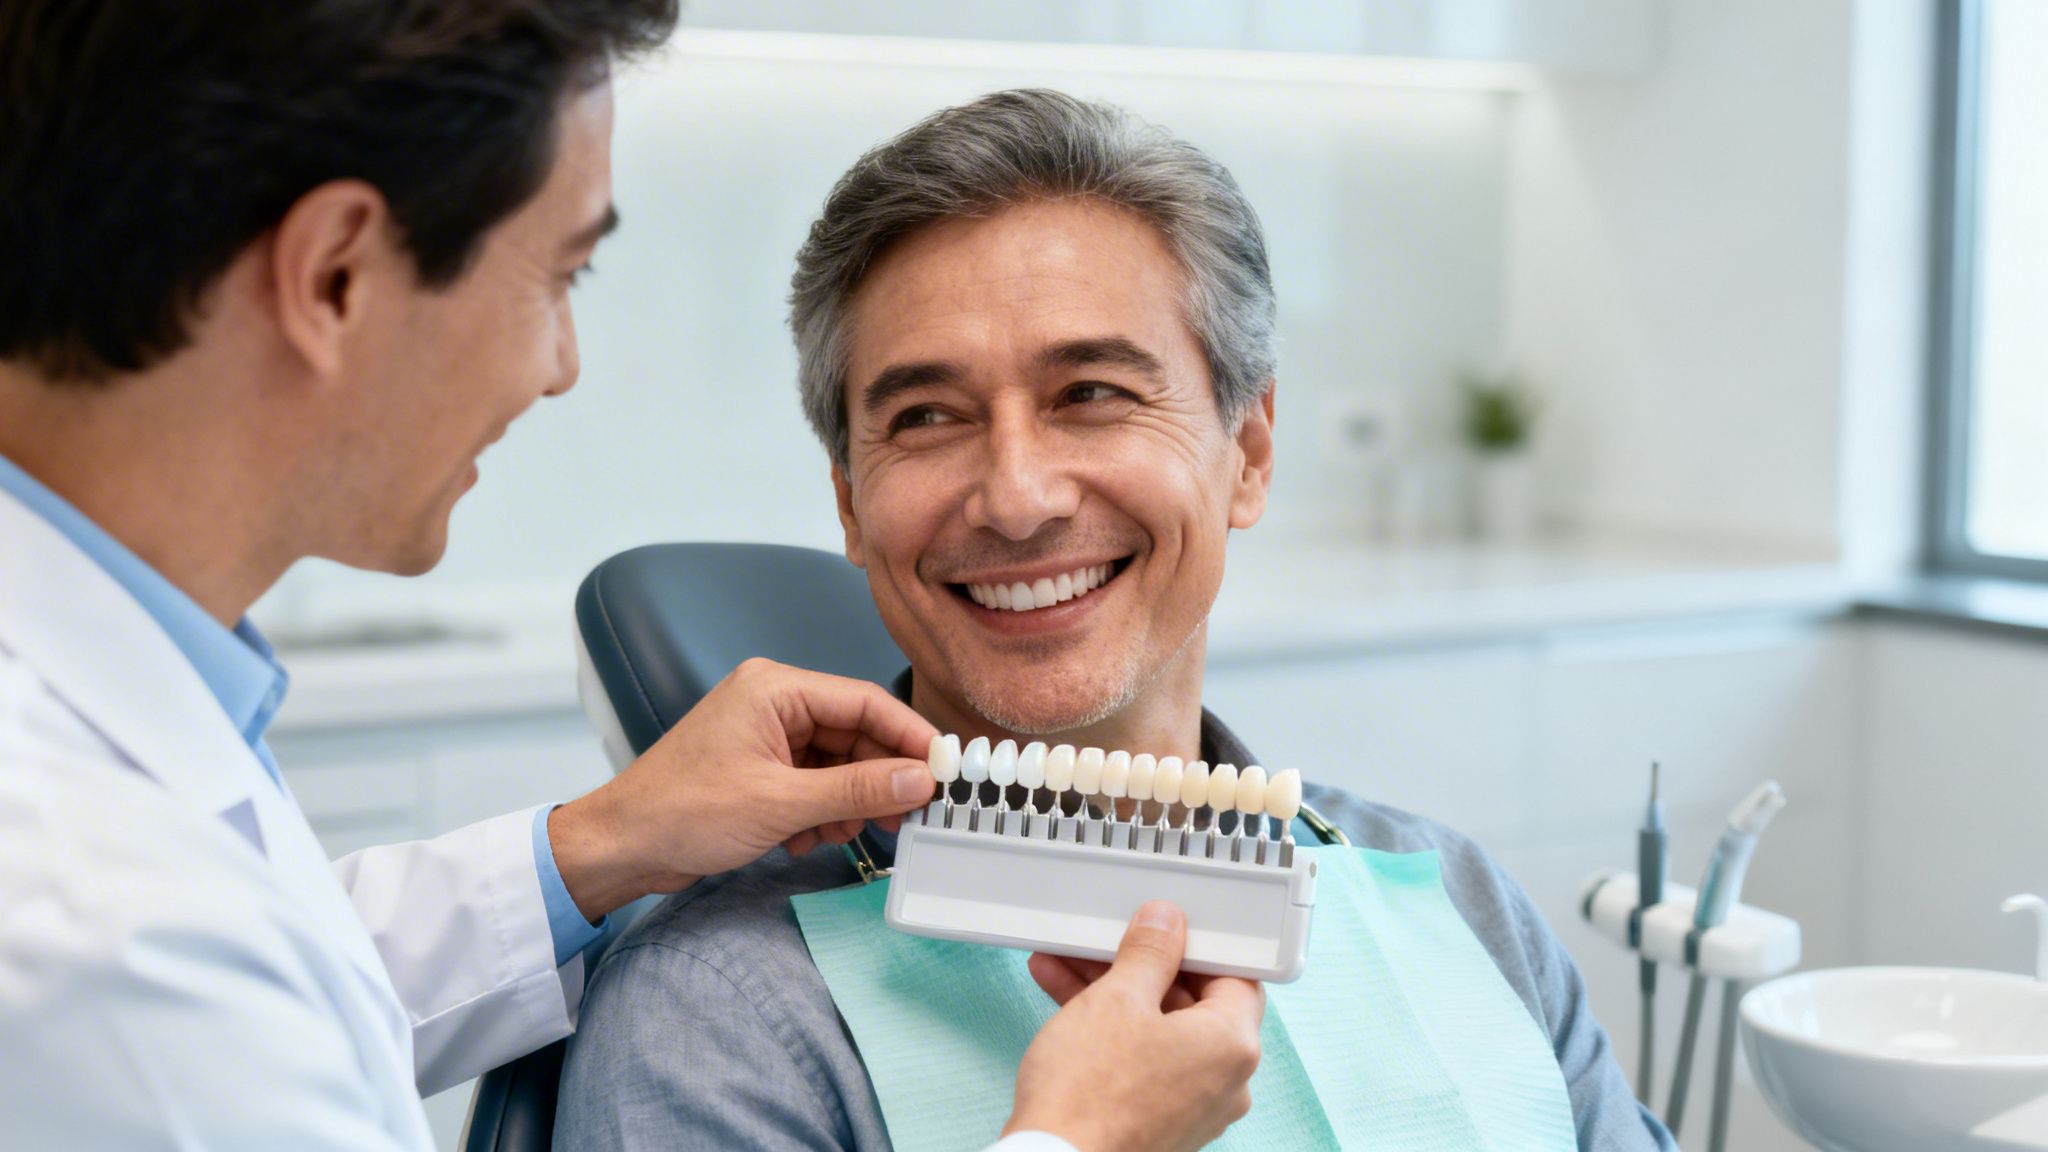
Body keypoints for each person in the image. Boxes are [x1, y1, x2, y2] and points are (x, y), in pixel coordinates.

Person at [0, 7, 1263, 1151]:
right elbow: (195, 998)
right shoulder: (96, 933)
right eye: (561, 273)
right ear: (334, 276)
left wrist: (592, 848)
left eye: (1091, 394)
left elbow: (288, 978)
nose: (561, 366)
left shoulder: (1434, 877)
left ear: (1246, 454)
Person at [555, 89, 1679, 1150]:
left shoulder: (1455, 900)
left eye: (1090, 392)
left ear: (1247, 452)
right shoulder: (720, 1015)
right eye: (927, 415)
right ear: (850, 503)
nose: (1016, 497)